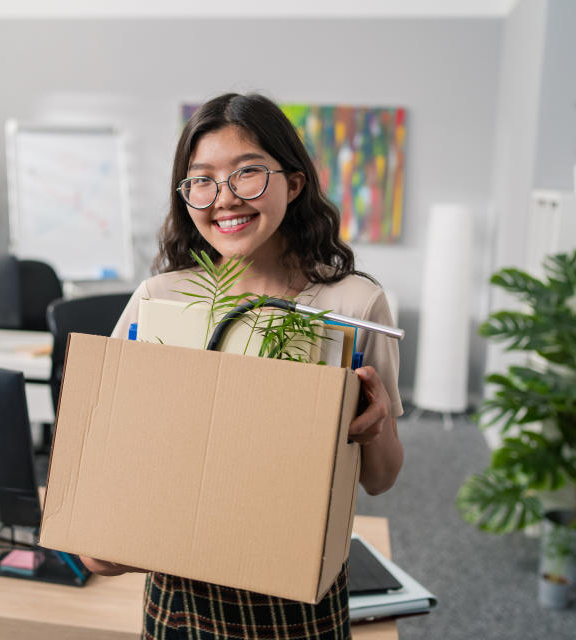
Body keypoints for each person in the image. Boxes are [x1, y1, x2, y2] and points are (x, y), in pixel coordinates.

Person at [79, 92, 404, 640]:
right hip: (181, 592)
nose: (223, 199)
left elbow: (380, 479)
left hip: (296, 597)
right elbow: (114, 455)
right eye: (201, 180)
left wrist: (374, 428)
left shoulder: (354, 306)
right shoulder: (160, 299)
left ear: (294, 183)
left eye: (247, 173)